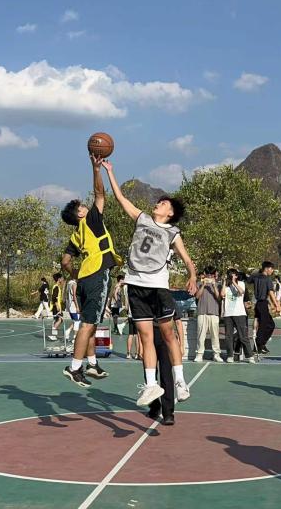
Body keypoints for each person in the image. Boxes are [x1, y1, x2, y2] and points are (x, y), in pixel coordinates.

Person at [101, 158, 197, 407]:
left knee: (168, 334)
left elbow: (187, 260)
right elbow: (121, 198)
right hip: (135, 285)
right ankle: (152, 385)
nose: (158, 203)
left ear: (170, 213)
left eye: (163, 203)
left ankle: (180, 381)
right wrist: (110, 171)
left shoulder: (173, 232)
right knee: (145, 338)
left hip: (157, 286)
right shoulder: (142, 218)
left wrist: (193, 276)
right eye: (159, 201)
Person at [60, 154, 120, 388]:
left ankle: (92, 364)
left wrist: (75, 275)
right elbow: (100, 194)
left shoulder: (76, 235)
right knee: (87, 325)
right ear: (80, 213)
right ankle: (74, 368)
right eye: (82, 206)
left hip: (84, 278)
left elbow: (66, 261)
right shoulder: (91, 220)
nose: (86, 206)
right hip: (97, 274)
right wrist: (96, 169)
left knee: (91, 322)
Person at [222, 268, 254, 363]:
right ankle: (230, 355)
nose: (231, 276)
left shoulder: (241, 283)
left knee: (243, 335)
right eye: (229, 275)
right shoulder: (226, 285)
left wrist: (234, 282)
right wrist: (224, 283)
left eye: (233, 275)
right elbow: (222, 294)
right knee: (228, 336)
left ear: (236, 276)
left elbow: (241, 292)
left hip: (239, 313)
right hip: (228, 313)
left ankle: (250, 356)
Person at [194, 266, 223, 363]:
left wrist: (214, 286)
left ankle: (216, 354)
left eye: (211, 275)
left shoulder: (218, 285)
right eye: (208, 274)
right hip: (202, 312)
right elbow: (197, 296)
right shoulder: (199, 283)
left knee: (215, 336)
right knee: (200, 335)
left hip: (214, 313)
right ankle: (199, 354)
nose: (209, 276)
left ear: (214, 275)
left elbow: (219, 298)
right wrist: (203, 285)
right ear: (205, 274)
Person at [253, 262, 276, 354]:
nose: (272, 271)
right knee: (265, 326)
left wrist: (270, 303)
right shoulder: (267, 279)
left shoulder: (257, 278)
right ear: (266, 268)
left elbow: (265, 293)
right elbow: (270, 292)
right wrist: (277, 304)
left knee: (269, 325)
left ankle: (261, 344)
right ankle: (258, 346)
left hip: (259, 303)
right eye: (271, 269)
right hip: (262, 304)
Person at [47, 273, 65, 342]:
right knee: (60, 319)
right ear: (59, 279)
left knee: (57, 319)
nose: (62, 279)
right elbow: (54, 297)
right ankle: (52, 333)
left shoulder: (57, 286)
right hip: (56, 306)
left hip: (56, 306)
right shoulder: (56, 287)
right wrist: (57, 305)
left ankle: (53, 334)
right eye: (62, 278)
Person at [64, 274, 81, 344]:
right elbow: (74, 295)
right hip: (73, 305)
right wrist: (77, 306)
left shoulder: (68, 284)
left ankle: (68, 331)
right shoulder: (74, 284)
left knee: (77, 320)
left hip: (69, 304)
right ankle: (75, 337)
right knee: (77, 321)